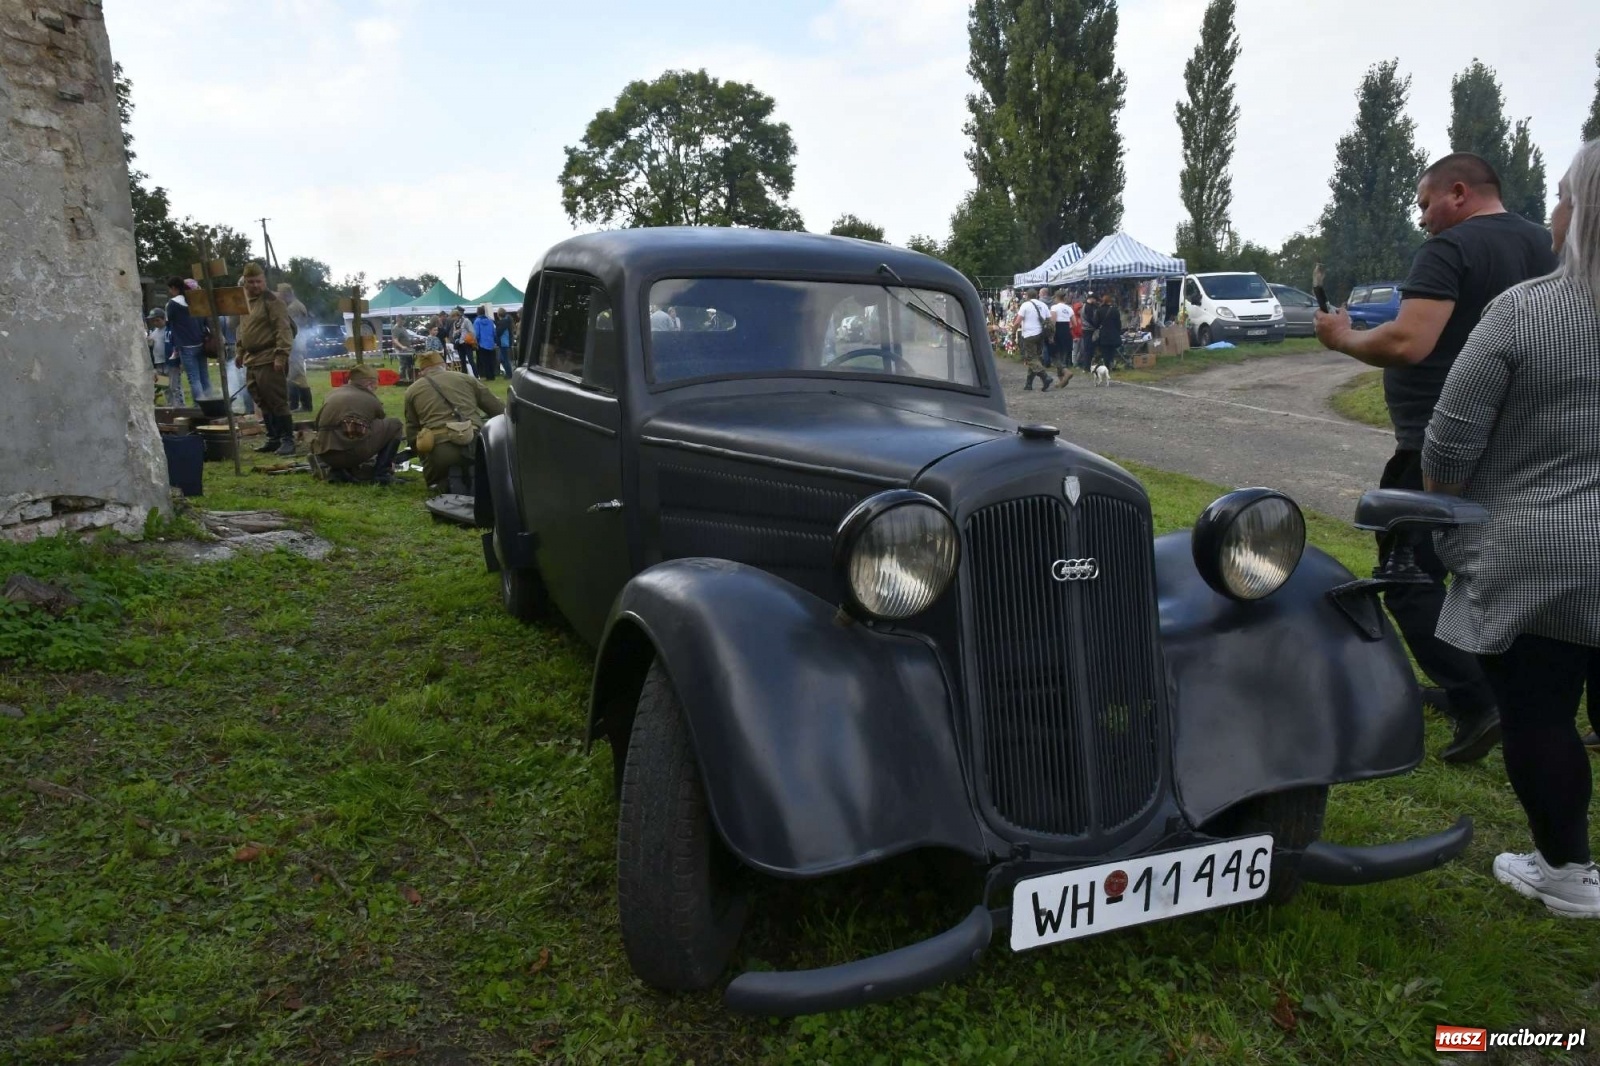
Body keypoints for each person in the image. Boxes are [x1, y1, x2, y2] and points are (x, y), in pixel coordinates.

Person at [1316, 152, 1558, 762]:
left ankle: (1477, 699)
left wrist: (1342, 337)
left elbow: (1409, 339)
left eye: (1425, 203)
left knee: (1408, 574)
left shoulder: (1452, 248)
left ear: (1458, 192)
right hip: (1532, 439)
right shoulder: (1550, 244)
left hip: (1441, 439)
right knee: (1499, 573)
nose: (1422, 218)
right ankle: (1512, 694)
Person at [1420, 143, 1600, 916]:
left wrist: (1449, 509)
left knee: (1541, 713)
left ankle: (1565, 872)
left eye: (1562, 195)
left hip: (1544, 557)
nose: (1552, 211)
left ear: (1583, 210)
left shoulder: (1528, 310)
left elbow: (1450, 442)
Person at [403, 349, 505, 494]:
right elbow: (498, 410)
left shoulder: (412, 390)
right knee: (483, 479)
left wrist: (422, 455)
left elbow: (412, 429)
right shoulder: (467, 379)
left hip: (439, 450)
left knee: (437, 487)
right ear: (444, 366)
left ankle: (442, 484)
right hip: (474, 443)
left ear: (422, 371)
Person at [235, 262, 298, 456]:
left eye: (258, 281)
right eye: (251, 282)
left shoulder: (273, 300)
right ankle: (273, 438)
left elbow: (283, 329)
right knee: (261, 401)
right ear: (245, 282)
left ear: (264, 281)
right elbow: (243, 329)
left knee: (277, 400)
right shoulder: (245, 301)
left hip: (270, 356)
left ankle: (288, 440)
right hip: (252, 358)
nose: (255, 285)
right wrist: (239, 351)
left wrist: (281, 355)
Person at [310, 363, 404, 485]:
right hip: (348, 455)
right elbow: (382, 427)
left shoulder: (332, 394)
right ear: (370, 384)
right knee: (394, 425)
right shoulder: (369, 399)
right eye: (376, 385)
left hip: (324, 455)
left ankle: (338, 471)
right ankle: (382, 474)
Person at [164, 276, 212, 402]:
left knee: (194, 378)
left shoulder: (172, 303)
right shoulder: (195, 300)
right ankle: (211, 400)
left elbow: (168, 322)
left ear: (174, 288)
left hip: (185, 345)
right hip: (201, 342)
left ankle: (200, 406)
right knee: (204, 376)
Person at [277, 283, 313, 413]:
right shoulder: (297, 305)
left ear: (286, 294)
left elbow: (288, 327)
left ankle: (301, 405)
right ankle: (298, 404)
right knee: (296, 376)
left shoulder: (292, 308)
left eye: (280, 294)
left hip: (295, 344)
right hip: (297, 343)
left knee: (294, 375)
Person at [1013, 287, 1054, 391]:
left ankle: (1045, 377)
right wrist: (1050, 336)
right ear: (1036, 295)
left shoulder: (1025, 305)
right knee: (1036, 358)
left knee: (1030, 359)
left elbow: (1017, 322)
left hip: (1029, 335)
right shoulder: (1043, 305)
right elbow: (1050, 321)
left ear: (1027, 296)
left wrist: (1013, 333)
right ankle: (1028, 384)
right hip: (1041, 334)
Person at [1049, 289, 1076, 387]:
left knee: (1055, 356)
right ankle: (1061, 381)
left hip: (1057, 332)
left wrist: (1051, 335)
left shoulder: (1054, 307)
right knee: (1063, 356)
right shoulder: (1069, 308)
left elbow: (1053, 322)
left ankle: (1066, 372)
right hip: (1066, 332)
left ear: (1056, 297)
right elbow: (1074, 323)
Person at [1092, 292, 1123, 369]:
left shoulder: (1099, 310)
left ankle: (1106, 365)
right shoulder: (1115, 310)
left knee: (1104, 351)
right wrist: (1118, 331)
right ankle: (1111, 363)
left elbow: (1096, 324)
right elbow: (1118, 323)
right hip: (1113, 333)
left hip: (1104, 334)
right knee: (1112, 351)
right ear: (1110, 301)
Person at [472, 304, 499, 381]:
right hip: (490, 343)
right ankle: (492, 375)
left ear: (477, 313)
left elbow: (476, 334)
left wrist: (476, 341)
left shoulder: (477, 321)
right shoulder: (490, 321)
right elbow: (494, 332)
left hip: (482, 343)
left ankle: (487, 376)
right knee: (491, 360)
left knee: (484, 361)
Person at [495, 309, 515, 378]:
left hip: (503, 342)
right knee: (503, 359)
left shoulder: (503, 322)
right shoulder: (507, 321)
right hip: (506, 342)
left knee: (505, 359)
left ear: (498, 314)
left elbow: (498, 332)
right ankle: (508, 373)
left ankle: (509, 374)